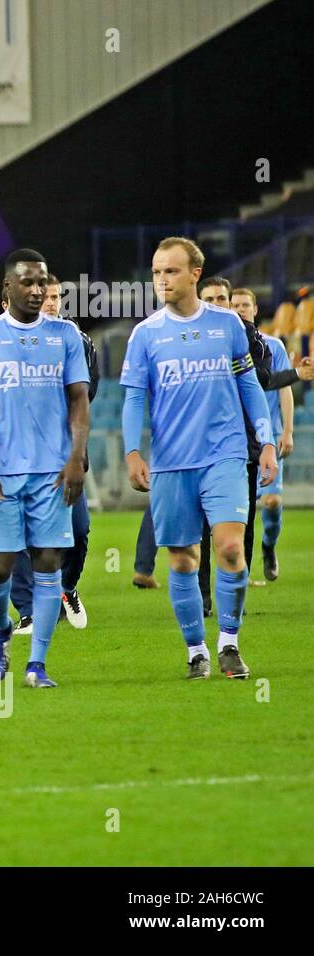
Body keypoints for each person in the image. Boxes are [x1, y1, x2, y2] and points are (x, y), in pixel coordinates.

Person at [121, 237, 278, 680]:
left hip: (225, 454)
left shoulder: (227, 326)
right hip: (172, 462)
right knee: (184, 558)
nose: (161, 279)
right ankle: (196, 651)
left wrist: (265, 441)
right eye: (155, 271)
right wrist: (133, 451)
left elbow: (249, 386)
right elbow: (134, 398)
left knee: (229, 547)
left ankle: (229, 643)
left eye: (170, 271)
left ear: (194, 274)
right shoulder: (146, 334)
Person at [0, 249, 90, 688]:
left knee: (48, 562)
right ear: (7, 289)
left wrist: (76, 457)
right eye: (27, 282)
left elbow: (79, 400)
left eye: (42, 282)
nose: (37, 290)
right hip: (1, 472)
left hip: (53, 471)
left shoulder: (66, 335)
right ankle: (0, 628)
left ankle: (37, 665)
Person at [7, 274, 100, 631]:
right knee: (19, 532)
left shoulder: (79, 340)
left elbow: (86, 394)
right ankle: (28, 609)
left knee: (78, 528)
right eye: (43, 296)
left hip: (64, 451)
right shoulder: (8, 339)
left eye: (56, 296)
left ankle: (67, 587)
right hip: (19, 453)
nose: (50, 302)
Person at [238, 289, 296, 583]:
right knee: (241, 510)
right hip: (237, 442)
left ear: (255, 308)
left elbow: (284, 388)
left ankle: (268, 546)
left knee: (271, 502)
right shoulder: (225, 347)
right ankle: (239, 572)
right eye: (235, 305)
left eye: (245, 305)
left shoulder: (273, 345)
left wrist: (287, 430)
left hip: (268, 439)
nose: (241, 309)